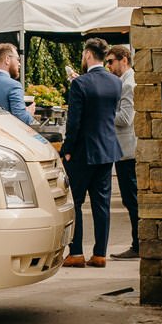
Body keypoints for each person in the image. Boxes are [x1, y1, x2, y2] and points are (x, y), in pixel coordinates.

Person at [60, 36, 121, 268]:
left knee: (75, 201)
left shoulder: (80, 84)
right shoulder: (116, 82)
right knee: (101, 203)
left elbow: (74, 123)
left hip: (83, 151)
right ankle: (100, 253)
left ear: (87, 54)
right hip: (107, 150)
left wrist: (67, 150)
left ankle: (76, 252)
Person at [106, 43, 139, 258]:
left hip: (128, 150)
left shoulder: (128, 84)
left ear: (123, 60)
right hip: (123, 150)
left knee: (131, 199)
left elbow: (126, 119)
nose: (108, 66)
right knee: (130, 199)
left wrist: (103, 114)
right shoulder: (122, 82)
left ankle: (138, 245)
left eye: (111, 61)